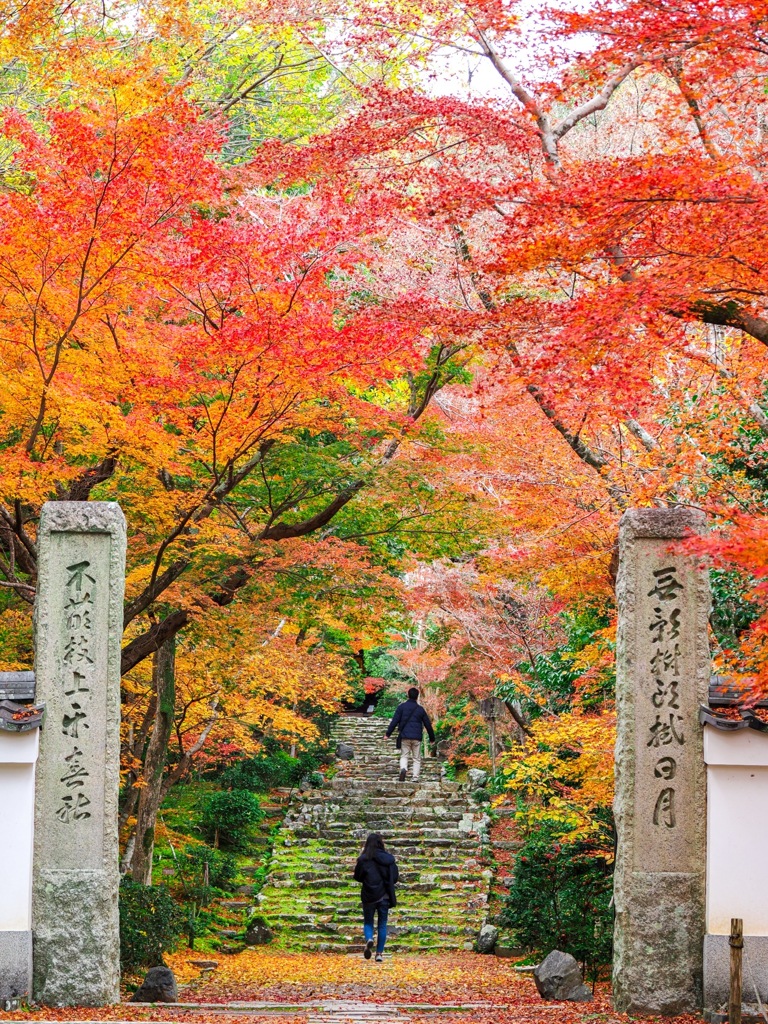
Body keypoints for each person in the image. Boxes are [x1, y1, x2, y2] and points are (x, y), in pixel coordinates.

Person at [353, 832, 399, 962]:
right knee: (382, 924)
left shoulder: (363, 859)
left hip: (369, 896)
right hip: (384, 896)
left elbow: (357, 877)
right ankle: (379, 954)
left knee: (368, 922)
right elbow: (395, 878)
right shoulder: (388, 859)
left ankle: (369, 939)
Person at [385, 687, 436, 781]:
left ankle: (403, 768)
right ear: (417, 696)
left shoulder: (401, 707)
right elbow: (428, 724)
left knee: (404, 755)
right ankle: (415, 777)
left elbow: (394, 721)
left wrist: (388, 734)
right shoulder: (420, 709)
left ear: (408, 695)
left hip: (405, 736)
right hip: (417, 737)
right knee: (416, 758)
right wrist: (432, 738)